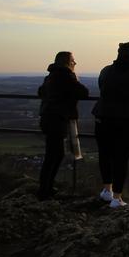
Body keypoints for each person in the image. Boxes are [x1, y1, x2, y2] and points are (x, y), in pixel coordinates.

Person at [92, 42, 129, 208]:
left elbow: (102, 87)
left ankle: (106, 191)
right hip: (128, 119)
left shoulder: (106, 70)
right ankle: (117, 198)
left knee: (105, 154)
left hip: (103, 116)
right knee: (121, 158)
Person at [37, 51, 89, 201]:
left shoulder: (51, 75)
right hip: (57, 120)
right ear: (67, 62)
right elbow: (83, 92)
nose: (75, 63)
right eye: (73, 60)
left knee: (54, 155)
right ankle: (44, 191)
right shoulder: (66, 75)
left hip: (48, 118)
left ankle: (46, 188)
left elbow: (40, 91)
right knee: (53, 156)